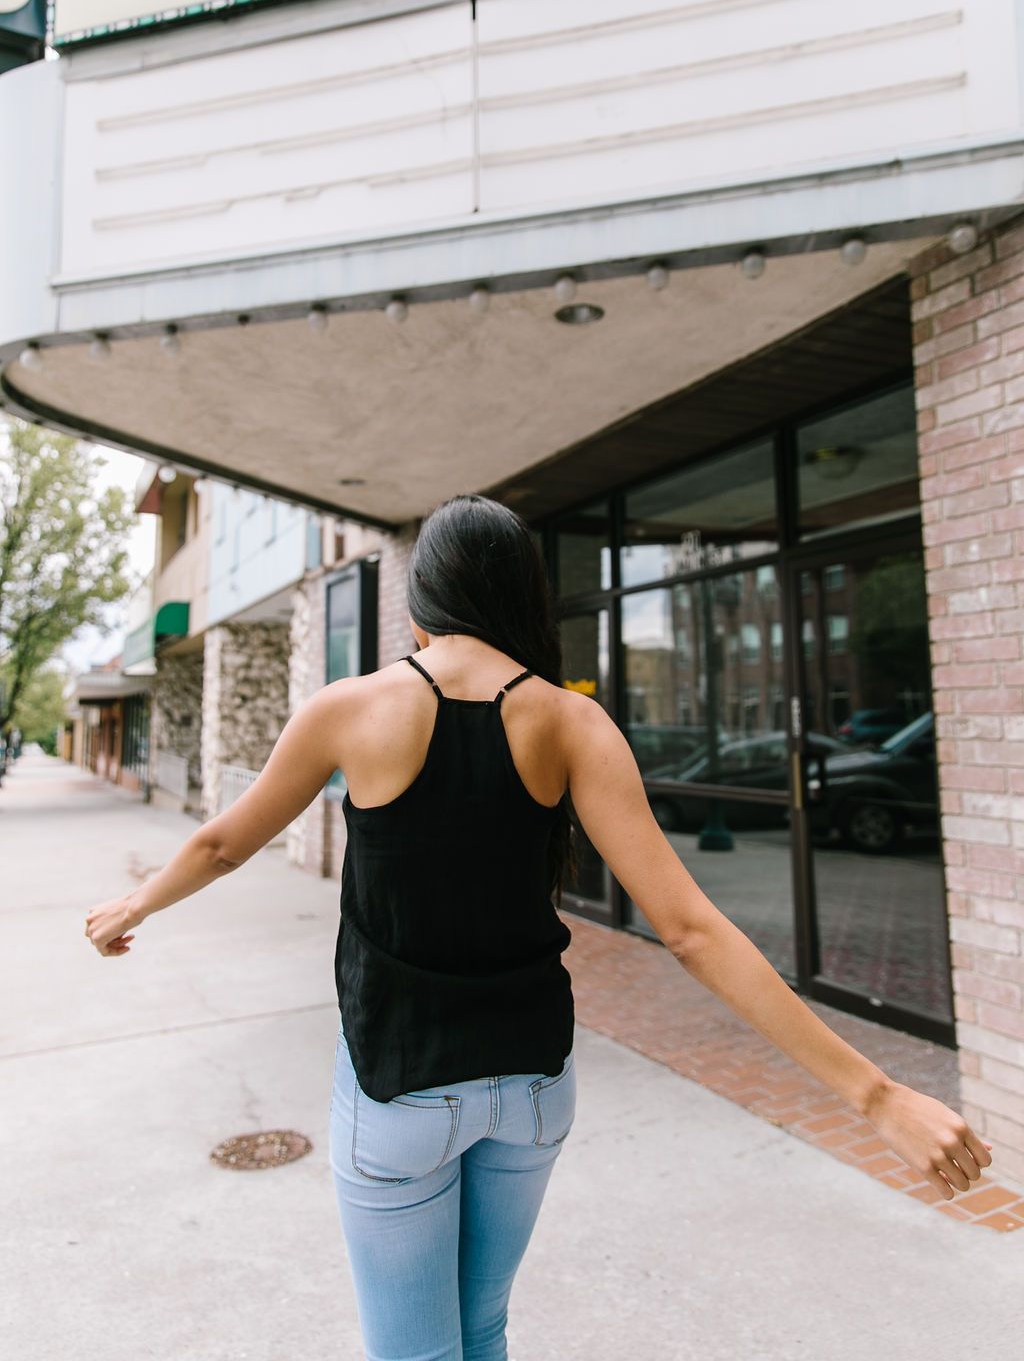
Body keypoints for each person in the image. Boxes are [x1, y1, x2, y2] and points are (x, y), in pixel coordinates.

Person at [85, 494, 992, 1361]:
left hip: (397, 1088)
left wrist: (134, 905)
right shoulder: (571, 722)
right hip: (530, 1091)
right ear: (521, 596)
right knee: (483, 1333)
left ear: (419, 607)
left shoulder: (351, 708)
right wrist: (880, 1097)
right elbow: (692, 930)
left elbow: (219, 845)